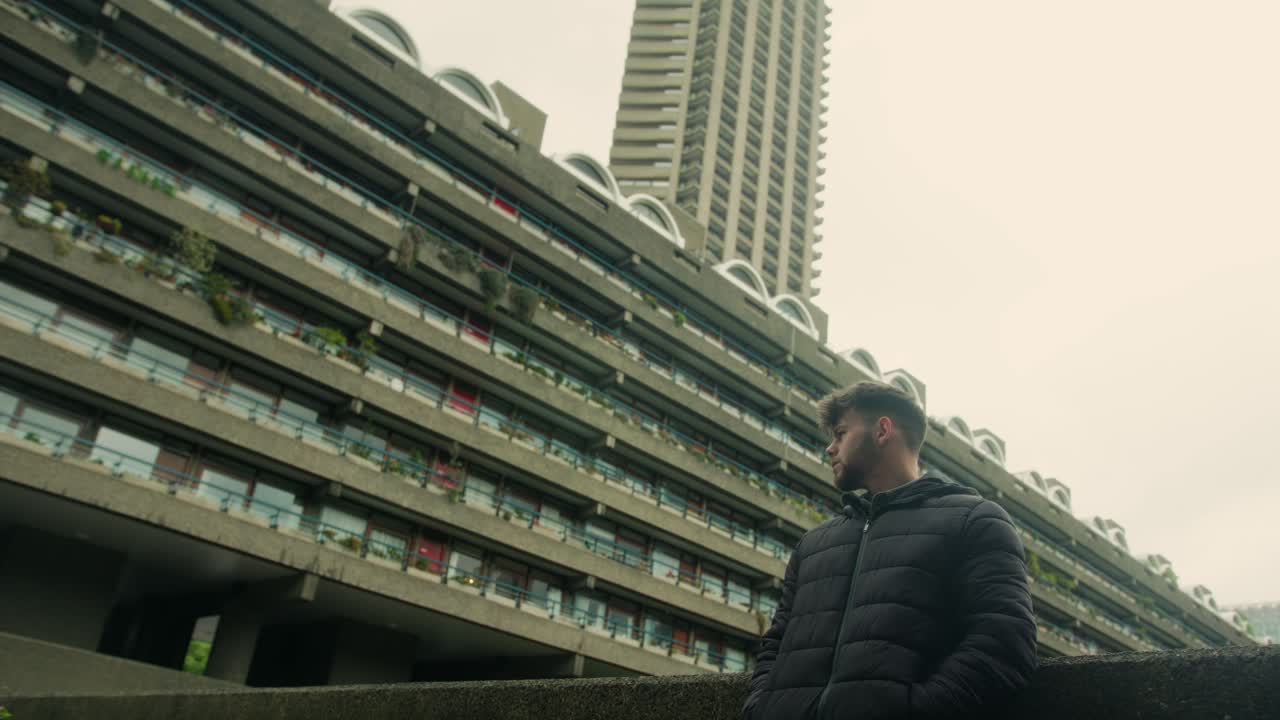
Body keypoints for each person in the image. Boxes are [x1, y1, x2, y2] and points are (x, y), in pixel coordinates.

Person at [742, 381, 1037, 720]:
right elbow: (774, 645)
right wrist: (761, 709)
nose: (829, 448)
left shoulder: (973, 521)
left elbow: (1004, 641)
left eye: (840, 434)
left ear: (882, 430)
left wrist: (912, 712)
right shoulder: (814, 544)